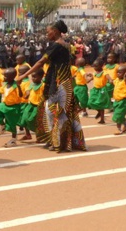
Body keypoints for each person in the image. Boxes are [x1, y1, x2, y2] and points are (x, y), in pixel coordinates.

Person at [16, 20, 87, 153]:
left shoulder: (56, 46)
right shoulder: (67, 45)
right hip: (64, 81)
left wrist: (23, 75)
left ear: (55, 31)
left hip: (58, 81)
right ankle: (60, 141)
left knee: (52, 111)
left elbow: (41, 62)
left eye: (48, 31)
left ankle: (57, 141)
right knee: (61, 112)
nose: (47, 34)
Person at [0, 68, 23, 148]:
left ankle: (13, 139)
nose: (4, 77)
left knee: (11, 124)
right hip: (5, 104)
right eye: (4, 75)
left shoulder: (15, 85)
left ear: (12, 77)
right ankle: (2, 126)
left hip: (13, 107)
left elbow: (20, 95)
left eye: (6, 76)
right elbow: (0, 90)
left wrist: (19, 86)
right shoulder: (5, 85)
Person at [112, 65, 126, 135]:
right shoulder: (117, 80)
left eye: (120, 72)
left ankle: (119, 129)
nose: (118, 74)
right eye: (117, 72)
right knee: (118, 115)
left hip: (123, 101)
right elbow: (111, 82)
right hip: (116, 100)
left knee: (118, 115)